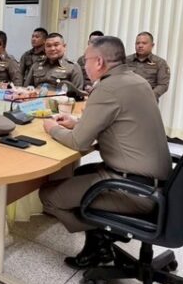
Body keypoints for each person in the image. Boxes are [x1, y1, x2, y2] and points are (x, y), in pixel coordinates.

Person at [40, 36, 171, 269]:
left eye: (87, 60)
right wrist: (78, 122)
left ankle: (102, 239)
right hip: (156, 182)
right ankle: (101, 236)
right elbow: (122, 121)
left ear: (99, 62)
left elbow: (78, 142)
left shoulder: (106, 88)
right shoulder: (137, 81)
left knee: (48, 195)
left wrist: (52, 128)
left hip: (132, 189)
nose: (85, 66)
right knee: (81, 173)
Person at [125, 31, 171, 100]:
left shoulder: (160, 63)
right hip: (126, 99)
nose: (140, 46)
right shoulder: (126, 60)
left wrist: (149, 96)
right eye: (137, 43)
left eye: (144, 43)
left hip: (148, 101)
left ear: (152, 45)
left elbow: (163, 85)